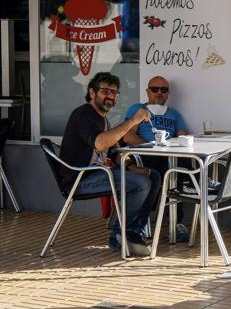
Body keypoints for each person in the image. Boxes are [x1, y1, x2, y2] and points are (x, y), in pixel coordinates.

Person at [60, 72, 162, 256]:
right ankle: (119, 235)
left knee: (151, 175)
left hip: (98, 174)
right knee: (141, 184)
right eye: (105, 91)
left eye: (115, 92)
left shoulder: (103, 120)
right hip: (80, 179)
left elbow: (114, 151)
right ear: (92, 93)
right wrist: (133, 121)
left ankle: (133, 231)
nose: (111, 96)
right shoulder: (84, 114)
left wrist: (132, 167)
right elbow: (100, 143)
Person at [123, 75, 191, 241]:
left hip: (168, 155)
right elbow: (127, 136)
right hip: (144, 156)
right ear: (147, 91)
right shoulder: (138, 110)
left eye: (163, 90)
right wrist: (151, 146)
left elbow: (183, 136)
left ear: (168, 94)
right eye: (155, 89)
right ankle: (195, 185)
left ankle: (176, 221)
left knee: (180, 166)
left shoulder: (174, 114)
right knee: (175, 173)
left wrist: (172, 146)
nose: (159, 93)